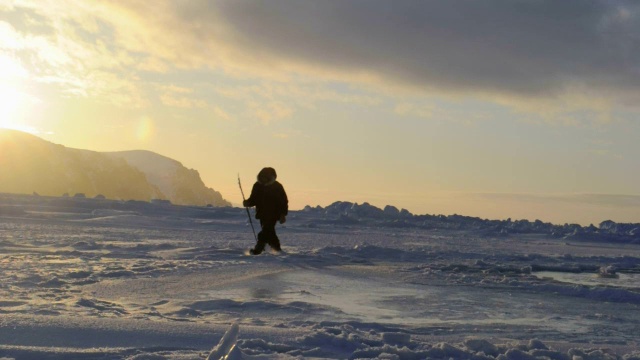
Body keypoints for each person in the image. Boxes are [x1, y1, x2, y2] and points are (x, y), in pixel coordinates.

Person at [243, 167, 288, 254]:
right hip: (262, 213)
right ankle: (277, 249)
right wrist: (248, 202)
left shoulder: (277, 186)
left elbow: (283, 201)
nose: (263, 178)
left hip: (274, 214)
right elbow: (254, 199)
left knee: (265, 231)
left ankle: (258, 250)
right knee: (270, 233)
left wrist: (283, 214)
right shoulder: (257, 185)